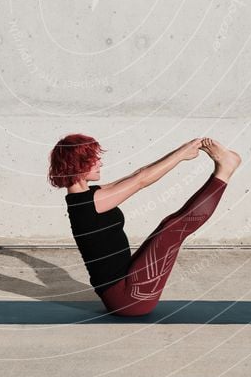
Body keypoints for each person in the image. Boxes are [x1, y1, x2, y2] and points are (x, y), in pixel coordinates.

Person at [48, 133, 241, 316]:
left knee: (169, 226)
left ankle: (224, 169)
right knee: (171, 230)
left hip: (126, 286)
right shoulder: (87, 204)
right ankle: (224, 171)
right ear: (77, 165)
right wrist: (181, 154)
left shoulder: (88, 197)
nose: (100, 162)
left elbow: (138, 174)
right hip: (128, 300)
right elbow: (141, 181)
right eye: (93, 159)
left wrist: (179, 152)